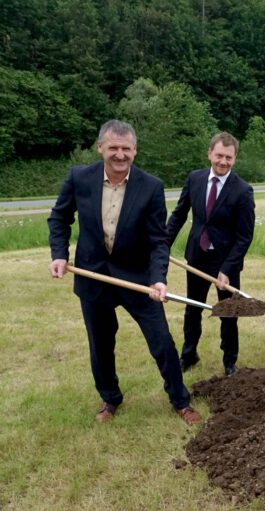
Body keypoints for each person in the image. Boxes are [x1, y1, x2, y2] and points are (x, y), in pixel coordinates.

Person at [47, 119, 201, 425]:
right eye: (114, 148)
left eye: (126, 149)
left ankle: (180, 400)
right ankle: (111, 398)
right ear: (100, 147)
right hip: (93, 276)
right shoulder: (80, 177)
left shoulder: (151, 186)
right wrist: (59, 255)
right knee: (101, 344)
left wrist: (158, 278)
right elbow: (59, 218)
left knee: (162, 342)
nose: (120, 155)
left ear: (135, 150)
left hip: (137, 277)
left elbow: (158, 240)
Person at [166, 132, 255, 376]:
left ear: (235, 158)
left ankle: (229, 362)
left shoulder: (243, 190)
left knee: (228, 312)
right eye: (219, 155)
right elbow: (179, 215)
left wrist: (227, 269)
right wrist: (162, 246)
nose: (223, 161)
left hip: (225, 262)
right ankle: (189, 354)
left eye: (229, 157)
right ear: (209, 154)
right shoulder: (195, 179)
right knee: (192, 308)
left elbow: (244, 236)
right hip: (197, 256)